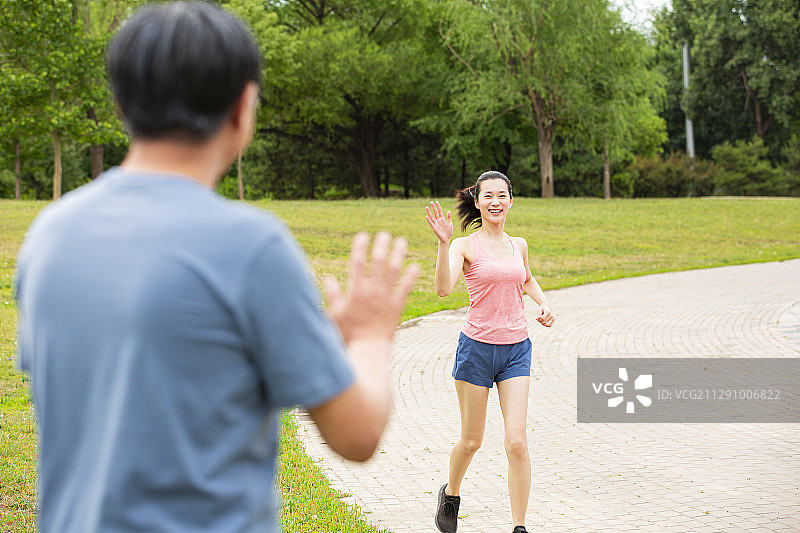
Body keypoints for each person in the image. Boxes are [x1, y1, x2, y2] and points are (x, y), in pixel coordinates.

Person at [15, 3, 419, 532]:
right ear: (243, 106)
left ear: (120, 103)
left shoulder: (50, 234)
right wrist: (369, 338)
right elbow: (357, 435)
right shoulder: (252, 248)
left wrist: (314, 346)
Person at [425, 171, 554, 533]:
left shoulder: (519, 245)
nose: (495, 202)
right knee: (471, 441)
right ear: (478, 202)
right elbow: (442, 288)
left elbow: (526, 278)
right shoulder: (464, 246)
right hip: (477, 350)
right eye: (488, 196)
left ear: (511, 201)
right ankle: (451, 494)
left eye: (502, 195)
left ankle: (519, 526)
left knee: (517, 441)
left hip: (516, 350)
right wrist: (442, 244)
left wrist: (543, 303)